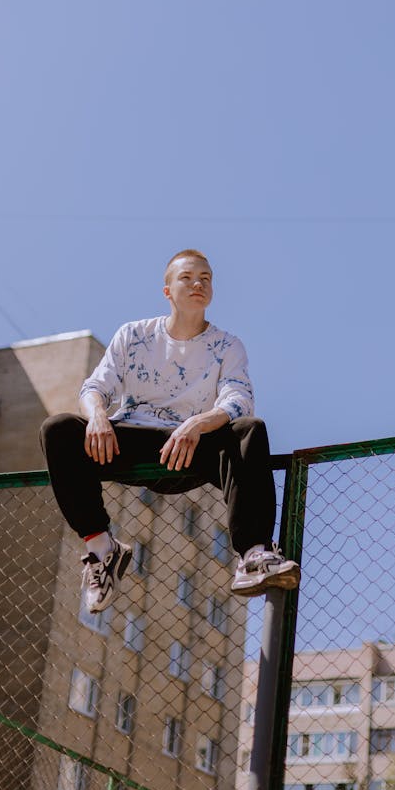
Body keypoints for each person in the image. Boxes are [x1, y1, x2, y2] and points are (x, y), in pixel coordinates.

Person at [40, 248, 300, 613]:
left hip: (193, 446)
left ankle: (254, 555)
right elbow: (95, 388)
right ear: (167, 291)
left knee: (248, 429)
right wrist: (98, 416)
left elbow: (238, 399)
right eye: (187, 277)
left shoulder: (228, 345)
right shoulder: (134, 335)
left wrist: (197, 423)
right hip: (132, 442)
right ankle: (102, 551)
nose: (198, 284)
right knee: (58, 428)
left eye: (206, 279)